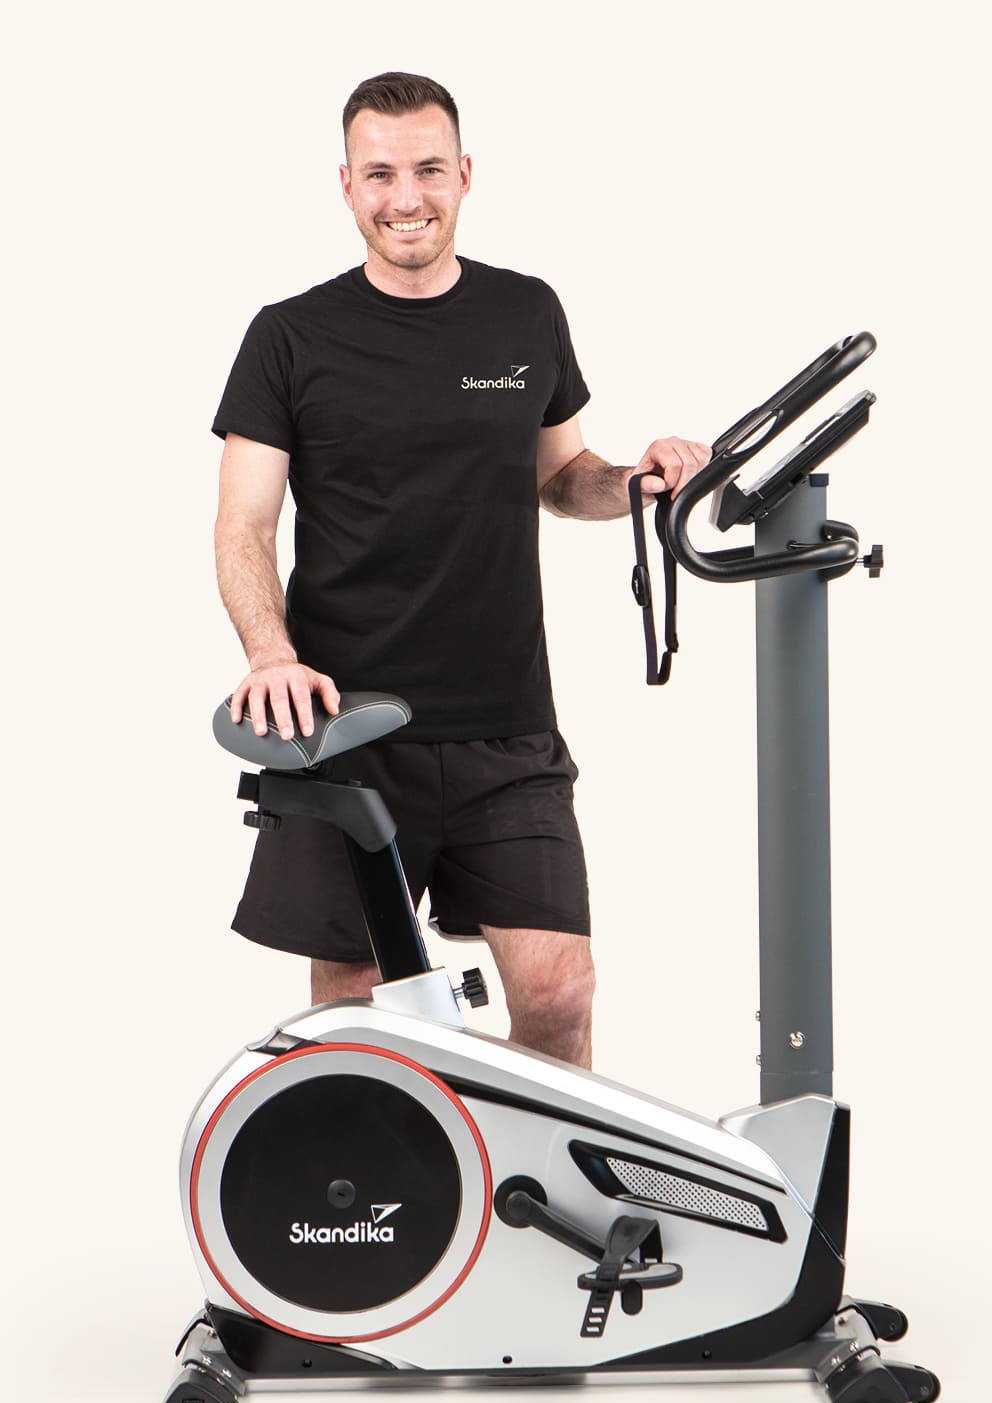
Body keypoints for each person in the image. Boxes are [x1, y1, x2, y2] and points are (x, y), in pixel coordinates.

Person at [212, 72, 708, 1068]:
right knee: (359, 1008)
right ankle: (379, 1169)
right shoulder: (289, 336)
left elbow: (563, 475)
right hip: (347, 722)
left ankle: (530, 1175)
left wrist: (637, 482)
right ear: (346, 186)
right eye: (381, 174)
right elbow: (243, 528)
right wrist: (270, 655)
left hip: (506, 726)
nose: (407, 197)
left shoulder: (525, 312)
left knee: (560, 993)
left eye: (429, 169)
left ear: (466, 174)